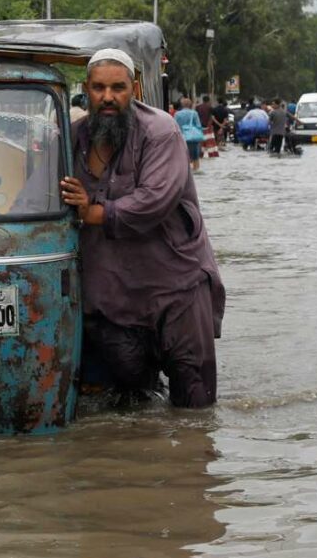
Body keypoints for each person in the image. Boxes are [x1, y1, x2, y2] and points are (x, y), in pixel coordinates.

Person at [59, 48, 225, 408]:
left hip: (174, 285)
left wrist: (93, 213)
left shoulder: (160, 131)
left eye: (117, 88)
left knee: (194, 400)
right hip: (111, 293)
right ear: (85, 89)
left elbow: (156, 199)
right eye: (99, 88)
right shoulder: (71, 138)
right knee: (130, 401)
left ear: (134, 88)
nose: (107, 97)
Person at [173, 96, 204, 172]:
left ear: (182, 105)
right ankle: (196, 171)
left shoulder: (177, 114)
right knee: (195, 158)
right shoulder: (194, 113)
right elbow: (199, 126)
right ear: (190, 105)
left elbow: (174, 127)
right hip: (193, 138)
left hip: (181, 138)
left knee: (182, 157)